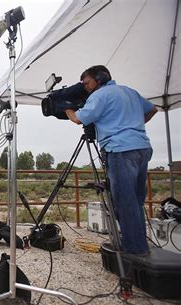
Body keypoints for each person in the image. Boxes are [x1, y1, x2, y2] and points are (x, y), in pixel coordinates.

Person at [65, 65, 157, 255]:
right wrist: (131, 125)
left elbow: (78, 119)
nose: (86, 88)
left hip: (120, 150)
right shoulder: (129, 91)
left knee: (124, 201)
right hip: (141, 147)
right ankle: (139, 244)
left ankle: (134, 250)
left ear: (100, 78)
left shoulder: (100, 95)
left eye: (87, 83)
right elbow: (152, 109)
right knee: (135, 200)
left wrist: (66, 108)